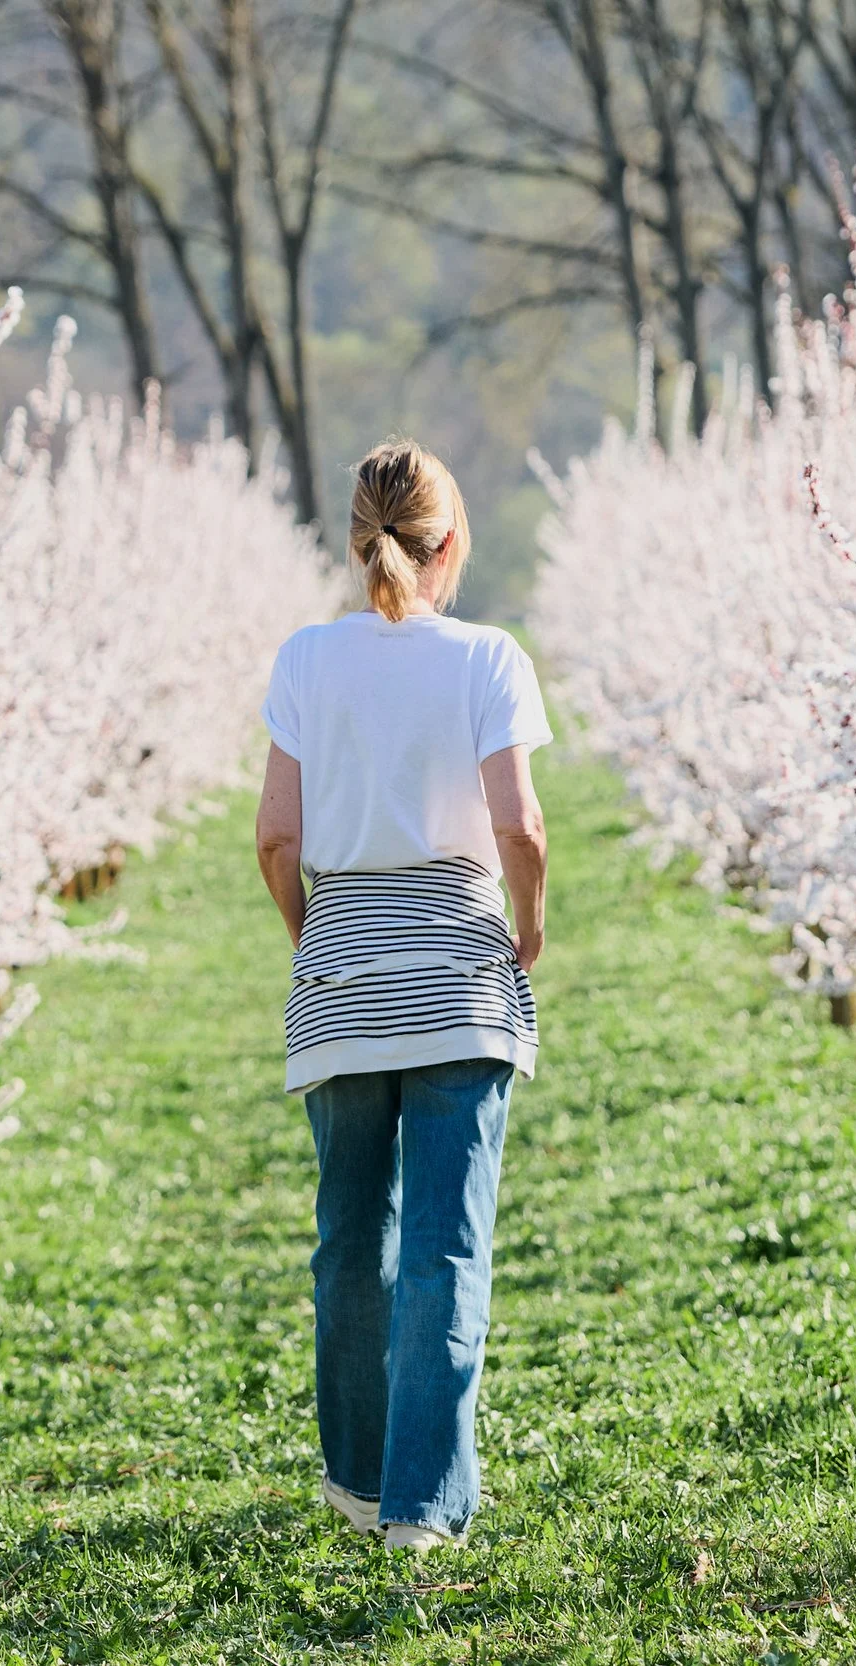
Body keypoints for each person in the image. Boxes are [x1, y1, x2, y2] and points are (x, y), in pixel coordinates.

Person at [253, 438, 550, 1553]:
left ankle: (358, 1480)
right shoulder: (488, 657)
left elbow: (277, 835)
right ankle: (424, 1511)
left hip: (341, 968)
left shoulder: (304, 659)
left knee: (348, 1239)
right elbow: (517, 823)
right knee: (444, 1244)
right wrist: (526, 921)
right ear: (451, 541)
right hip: (461, 971)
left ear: (353, 541)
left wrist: (313, 933)